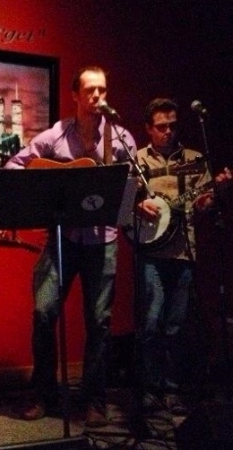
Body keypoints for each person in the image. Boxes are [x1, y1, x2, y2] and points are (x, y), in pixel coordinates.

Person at [4, 66, 137, 426]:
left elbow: (130, 189)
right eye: (90, 90)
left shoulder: (121, 138)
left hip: (102, 241)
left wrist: (126, 204)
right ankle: (42, 394)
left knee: (99, 322)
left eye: (102, 90)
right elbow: (15, 164)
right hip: (62, 238)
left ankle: (94, 400)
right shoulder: (56, 135)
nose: (97, 96)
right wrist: (40, 191)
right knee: (43, 312)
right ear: (75, 95)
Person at [133, 98, 214, 416]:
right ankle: (148, 388)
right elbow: (125, 202)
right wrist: (139, 205)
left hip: (183, 250)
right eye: (161, 126)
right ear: (149, 128)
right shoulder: (138, 159)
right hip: (151, 252)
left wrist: (207, 201)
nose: (168, 131)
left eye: (172, 125)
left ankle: (170, 388)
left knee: (176, 325)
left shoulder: (194, 160)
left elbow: (204, 201)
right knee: (151, 322)